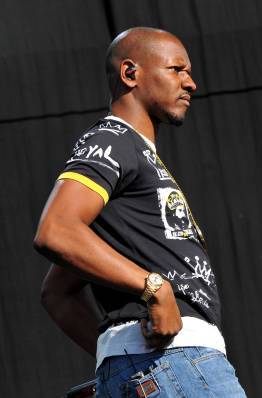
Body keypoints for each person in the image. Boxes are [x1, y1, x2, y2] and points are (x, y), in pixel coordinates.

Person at [33, 27, 247, 397]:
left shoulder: (136, 158)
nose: (191, 83)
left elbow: (59, 293)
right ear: (131, 73)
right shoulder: (113, 140)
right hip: (178, 363)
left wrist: (117, 359)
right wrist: (155, 288)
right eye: (177, 69)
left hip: (159, 365)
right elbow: (57, 230)